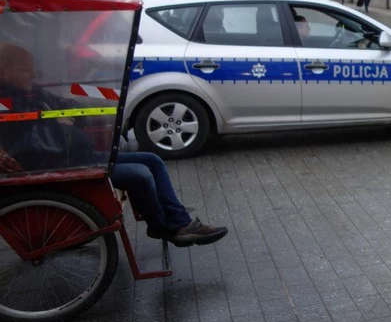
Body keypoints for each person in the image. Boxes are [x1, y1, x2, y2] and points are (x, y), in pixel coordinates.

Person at [0, 43, 227, 247]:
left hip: (75, 156)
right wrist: (60, 124)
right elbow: (33, 139)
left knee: (152, 160)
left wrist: (69, 115)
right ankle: (166, 227)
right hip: (58, 165)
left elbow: (65, 105)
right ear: (4, 72)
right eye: (24, 69)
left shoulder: (31, 92)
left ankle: (179, 221)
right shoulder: (8, 102)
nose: (33, 74)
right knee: (139, 175)